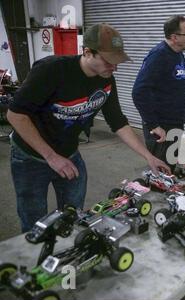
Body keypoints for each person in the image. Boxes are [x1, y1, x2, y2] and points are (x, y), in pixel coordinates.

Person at [7, 23, 170, 233]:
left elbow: (117, 122)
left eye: (117, 61)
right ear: (87, 52)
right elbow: (15, 115)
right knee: (34, 221)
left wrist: (148, 156)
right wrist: (51, 157)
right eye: (108, 61)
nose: (114, 67)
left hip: (69, 153)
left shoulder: (106, 79)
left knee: (74, 216)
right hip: (30, 157)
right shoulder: (52, 70)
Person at [132, 15, 185, 169]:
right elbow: (139, 91)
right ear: (174, 37)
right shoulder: (159, 56)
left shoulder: (177, 53)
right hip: (162, 128)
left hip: (174, 124)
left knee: (168, 168)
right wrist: (153, 125)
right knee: (160, 171)